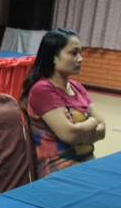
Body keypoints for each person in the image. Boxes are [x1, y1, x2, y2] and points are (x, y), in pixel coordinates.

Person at [21, 28, 106, 179]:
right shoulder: (43, 89)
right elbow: (70, 135)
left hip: (88, 163)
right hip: (60, 171)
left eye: (80, 53)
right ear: (54, 57)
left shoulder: (77, 87)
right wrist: (92, 121)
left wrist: (79, 132)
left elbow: (103, 129)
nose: (80, 59)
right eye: (73, 53)